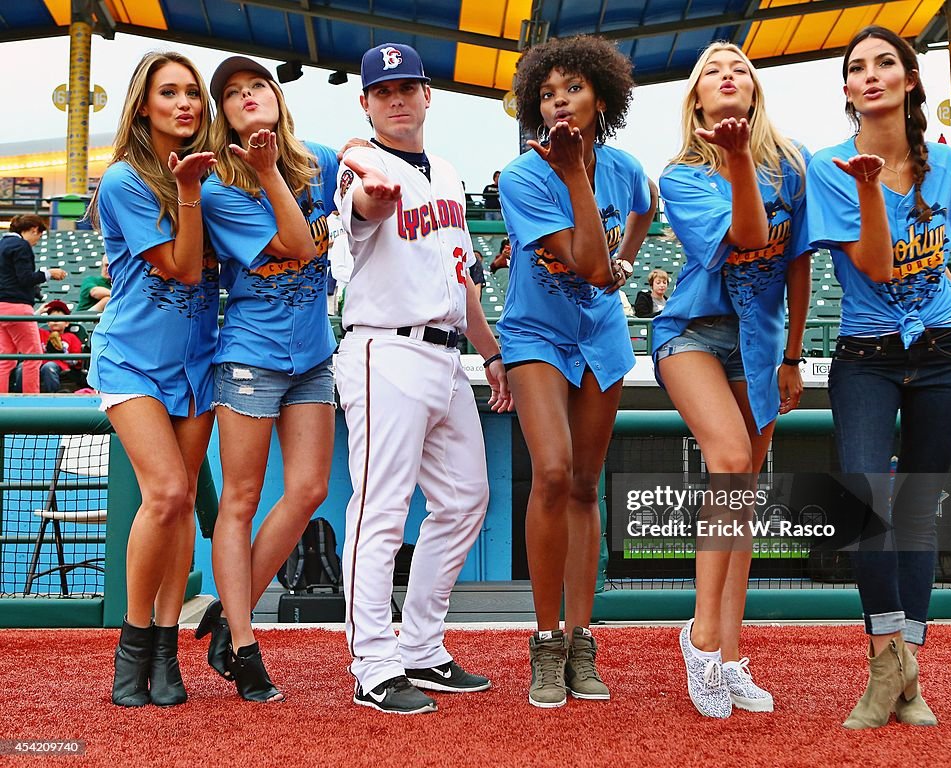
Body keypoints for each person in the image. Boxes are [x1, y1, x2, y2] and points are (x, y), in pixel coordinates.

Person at [805, 25, 951, 729]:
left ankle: (909, 672)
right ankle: (887, 665)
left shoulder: (945, 163)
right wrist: (872, 191)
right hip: (867, 354)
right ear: (848, 90)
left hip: (942, 351)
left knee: (917, 509)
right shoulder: (831, 166)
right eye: (857, 68)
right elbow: (877, 266)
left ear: (910, 80)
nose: (871, 74)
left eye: (886, 63)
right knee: (864, 498)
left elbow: (938, 257)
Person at [334, 42, 511, 715]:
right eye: (384, 91)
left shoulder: (449, 170)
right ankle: (373, 662)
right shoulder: (361, 169)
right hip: (386, 350)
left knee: (466, 499)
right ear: (367, 103)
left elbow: (462, 275)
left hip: (447, 355)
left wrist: (490, 353)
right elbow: (364, 211)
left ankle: (421, 647)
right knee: (379, 508)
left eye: (408, 86)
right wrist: (371, 195)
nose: (398, 98)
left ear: (428, 94)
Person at [497, 34, 658, 709]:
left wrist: (629, 256)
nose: (559, 100)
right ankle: (545, 641)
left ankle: (582, 637)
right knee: (554, 473)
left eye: (573, 88)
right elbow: (589, 267)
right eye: (547, 92)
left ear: (602, 97)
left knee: (588, 484)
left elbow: (643, 208)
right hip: (538, 332)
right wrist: (571, 178)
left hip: (601, 332)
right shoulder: (523, 175)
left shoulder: (622, 168)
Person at [651, 41, 811, 719]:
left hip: (762, 343)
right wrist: (740, 159)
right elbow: (747, 237)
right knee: (730, 461)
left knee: (743, 500)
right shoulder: (683, 175)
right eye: (713, 70)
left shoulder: (794, 167)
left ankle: (732, 653)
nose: (728, 75)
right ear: (697, 99)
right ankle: (701, 639)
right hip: (692, 332)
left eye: (740, 69)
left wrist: (794, 356)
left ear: (753, 93)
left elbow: (798, 262)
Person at [197, 55, 339, 703]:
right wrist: (263, 172)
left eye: (258, 86)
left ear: (278, 99)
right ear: (222, 113)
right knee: (241, 500)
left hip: (312, 353)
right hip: (250, 356)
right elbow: (299, 244)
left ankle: (230, 614)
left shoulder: (318, 160)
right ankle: (246, 645)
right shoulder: (222, 186)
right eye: (233, 93)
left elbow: (361, 182)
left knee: (308, 489)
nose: (248, 96)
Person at [84, 51, 219, 707]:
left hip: (198, 361)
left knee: (185, 502)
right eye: (169, 93)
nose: (185, 104)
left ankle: (167, 649)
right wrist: (191, 193)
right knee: (164, 493)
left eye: (193, 92)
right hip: (132, 358)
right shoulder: (123, 180)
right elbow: (184, 268)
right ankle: (132, 645)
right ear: (143, 104)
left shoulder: (217, 175)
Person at [0, 214, 66, 393]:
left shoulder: (1, 245)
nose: (38, 240)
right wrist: (49, 273)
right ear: (33, 229)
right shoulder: (21, 245)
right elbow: (25, 278)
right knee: (34, 356)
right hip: (17, 307)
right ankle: (32, 397)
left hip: (1, 308)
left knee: (6, 358)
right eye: (39, 235)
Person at [12, 299, 84, 393]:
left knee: (49, 366)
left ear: (67, 323)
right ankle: (18, 396)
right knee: (23, 366)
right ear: (48, 322)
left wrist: (61, 352)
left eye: (60, 318)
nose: (55, 321)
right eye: (52, 318)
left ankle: (52, 397)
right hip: (38, 363)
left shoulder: (71, 337)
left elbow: (76, 361)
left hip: (60, 366)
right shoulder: (40, 333)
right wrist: (38, 312)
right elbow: (25, 326)